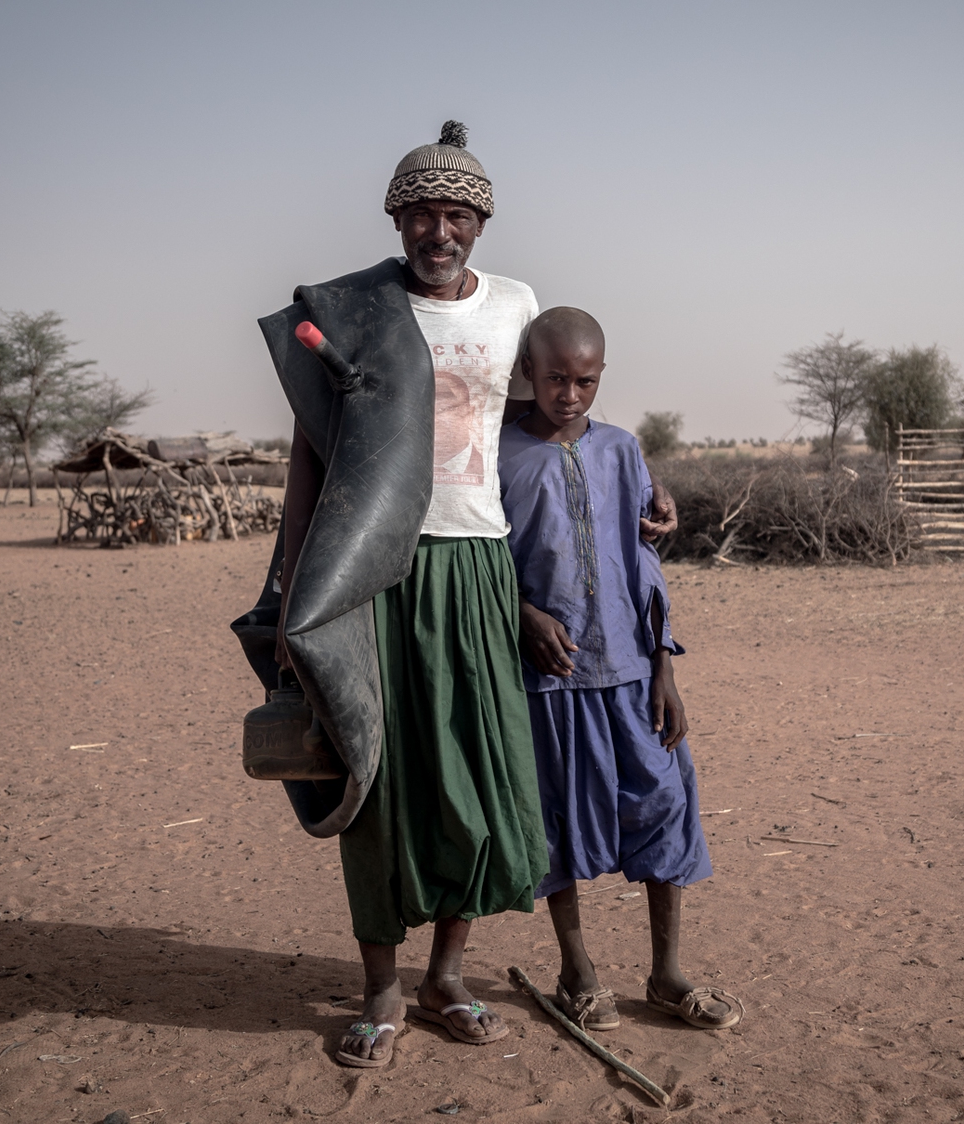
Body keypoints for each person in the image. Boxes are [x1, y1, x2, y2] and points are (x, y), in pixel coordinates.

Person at [232, 123, 680, 1072]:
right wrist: (284, 585)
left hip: (481, 568)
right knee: (378, 775)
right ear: (397, 218)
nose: (441, 230)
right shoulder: (349, 313)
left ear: (480, 223)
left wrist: (633, 488)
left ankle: (448, 976)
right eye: (424, 213)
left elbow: (553, 414)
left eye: (458, 215)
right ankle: (383, 989)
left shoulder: (514, 307)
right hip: (373, 566)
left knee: (477, 775)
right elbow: (313, 454)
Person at [499, 306, 741, 1032]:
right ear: (527, 375)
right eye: (554, 379)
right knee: (556, 827)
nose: (569, 395)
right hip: (549, 678)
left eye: (585, 381)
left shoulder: (623, 451)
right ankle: (578, 970)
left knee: (663, 808)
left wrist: (665, 670)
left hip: (633, 674)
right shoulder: (498, 456)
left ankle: (667, 974)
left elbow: (645, 564)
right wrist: (519, 613)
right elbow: (478, 562)